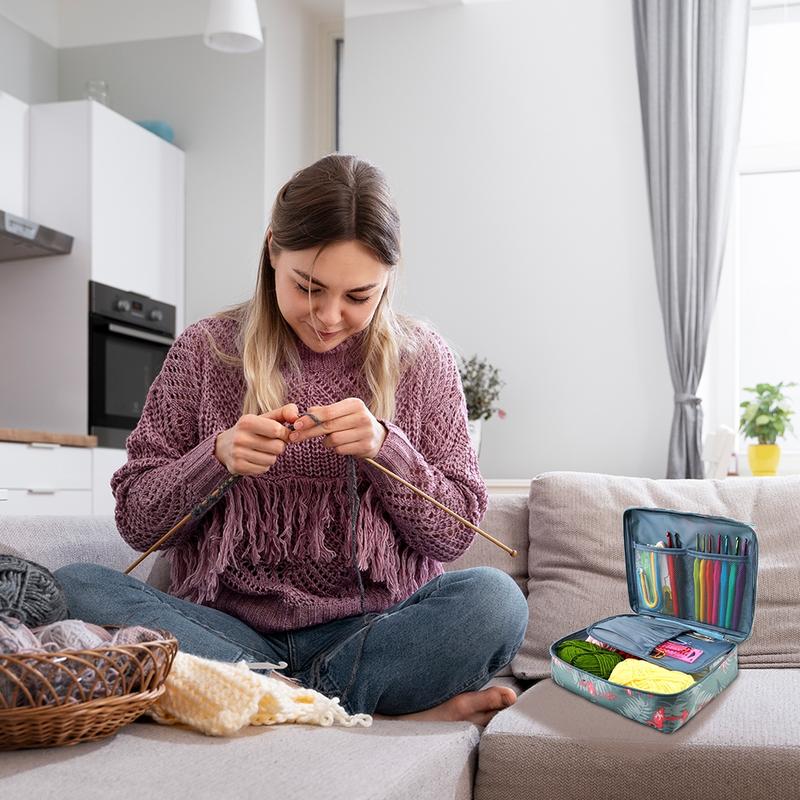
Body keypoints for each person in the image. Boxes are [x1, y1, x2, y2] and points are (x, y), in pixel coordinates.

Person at [55, 154, 528, 725]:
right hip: (229, 631)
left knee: (495, 602)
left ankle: (267, 699)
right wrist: (216, 458)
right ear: (272, 251)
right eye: (308, 287)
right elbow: (137, 521)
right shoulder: (205, 351)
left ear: (387, 281)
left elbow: (456, 534)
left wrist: (387, 449)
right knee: (74, 587)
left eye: (359, 296)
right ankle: (347, 704)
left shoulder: (423, 360)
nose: (330, 316)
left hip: (370, 633)